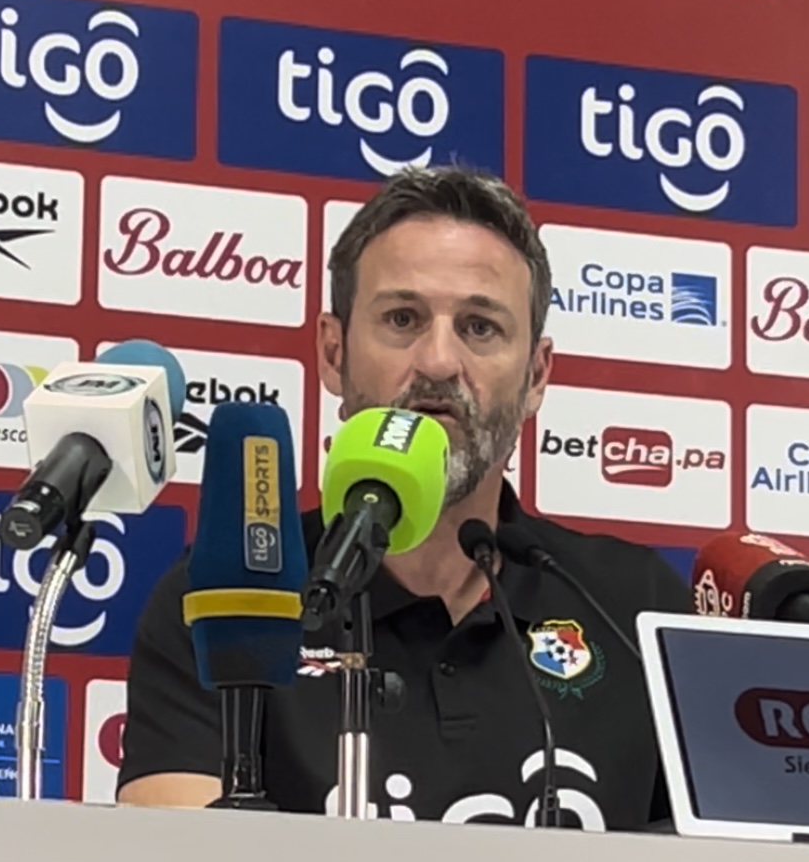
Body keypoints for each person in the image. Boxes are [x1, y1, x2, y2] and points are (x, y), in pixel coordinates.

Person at [117, 166, 691, 828]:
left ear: (536, 376)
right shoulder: (227, 597)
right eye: (402, 319)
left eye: (480, 327)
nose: (439, 361)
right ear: (333, 353)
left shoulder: (633, 605)